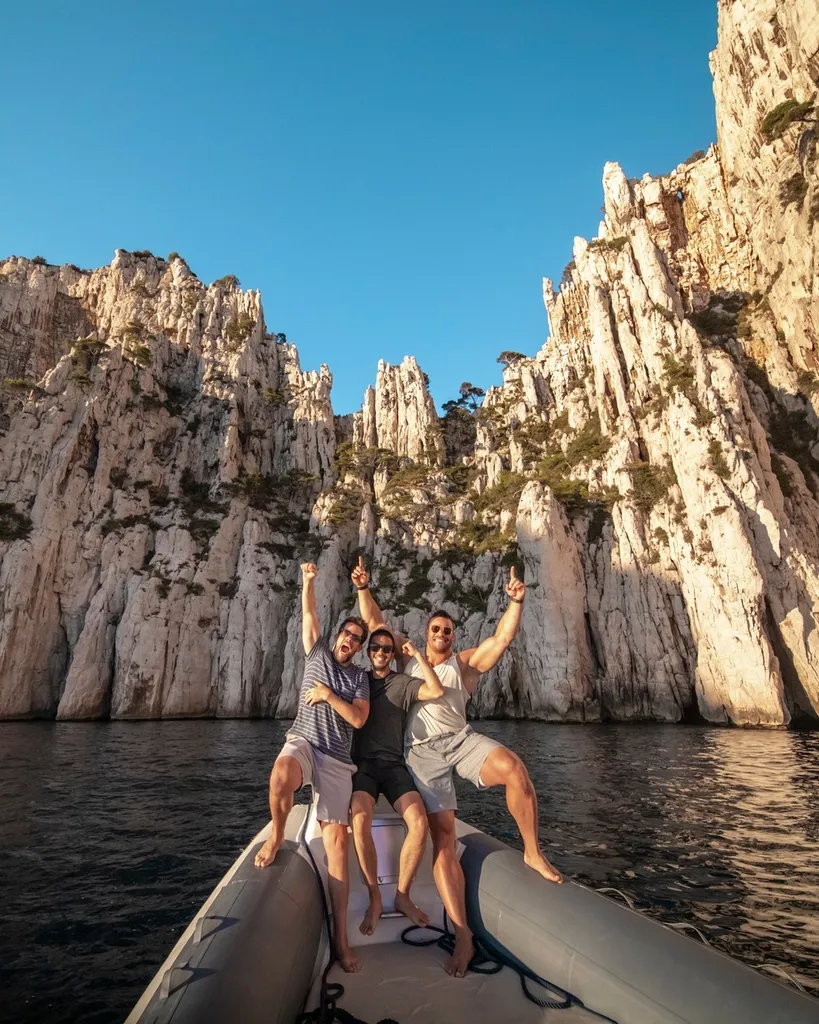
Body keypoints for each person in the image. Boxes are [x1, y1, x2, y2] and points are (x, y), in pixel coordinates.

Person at [352, 556, 562, 978]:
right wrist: (362, 588)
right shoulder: (406, 661)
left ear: (453, 637)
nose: (442, 634)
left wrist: (516, 603)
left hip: (462, 741)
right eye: (436, 629)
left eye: (448, 630)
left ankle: (533, 852)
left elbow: (500, 641)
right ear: (426, 634)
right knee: (443, 838)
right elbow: (375, 622)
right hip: (423, 753)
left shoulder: (464, 664)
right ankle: (463, 935)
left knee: (515, 769)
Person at [254, 562, 370, 973]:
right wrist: (308, 582)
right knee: (281, 775)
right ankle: (277, 837)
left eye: (357, 640)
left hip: (337, 757)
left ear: (358, 647)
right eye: (347, 635)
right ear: (338, 636)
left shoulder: (359, 678)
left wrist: (327, 695)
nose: (350, 642)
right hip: (304, 740)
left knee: (337, 844)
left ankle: (341, 938)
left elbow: (358, 719)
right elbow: (308, 615)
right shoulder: (317, 650)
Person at [350, 618, 445, 937]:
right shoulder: (359, 681)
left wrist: (417, 655)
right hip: (363, 766)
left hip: (393, 767)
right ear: (368, 651)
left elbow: (435, 690)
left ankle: (402, 895)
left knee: (419, 822)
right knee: (360, 820)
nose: (379, 652)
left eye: (386, 649)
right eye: (375, 647)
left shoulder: (404, 683)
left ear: (392, 654)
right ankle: (376, 897)